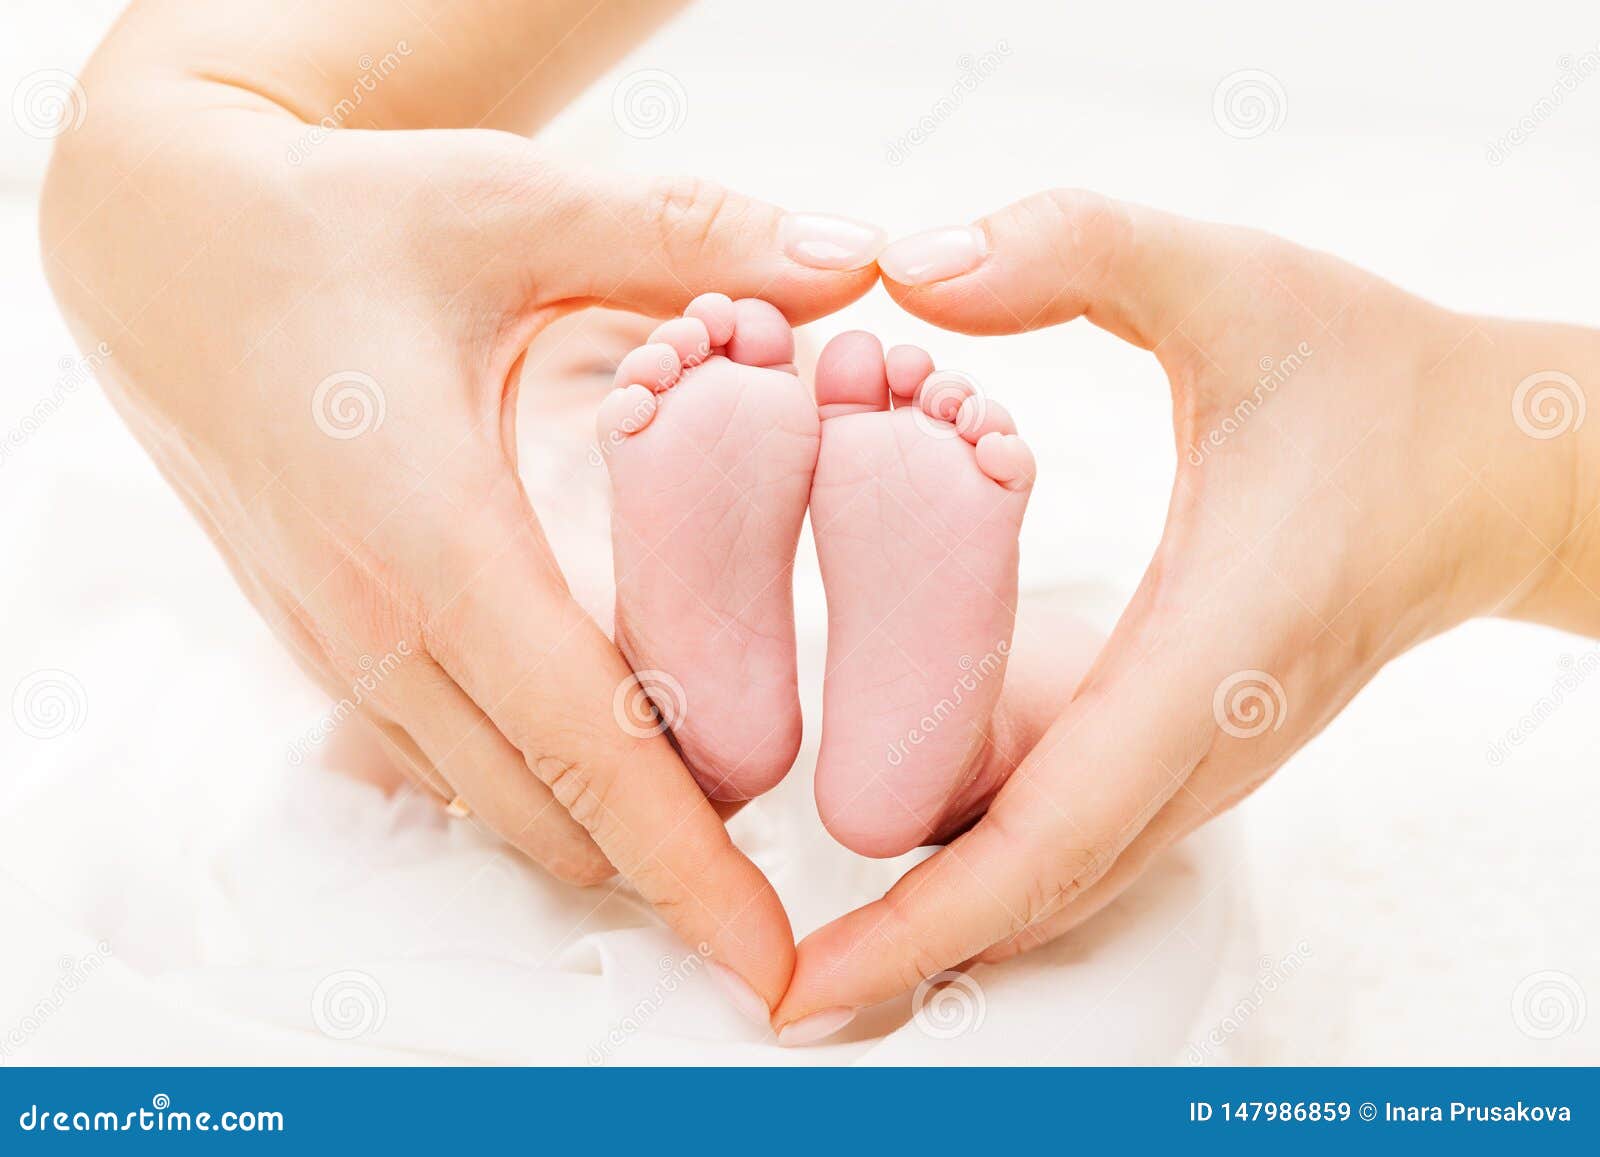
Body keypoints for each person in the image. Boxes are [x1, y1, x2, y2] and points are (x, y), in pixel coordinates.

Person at [43, 0, 1600, 1046]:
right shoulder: (362, 515)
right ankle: (954, 733)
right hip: (754, 677)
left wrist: (172, 117)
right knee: (1080, 671)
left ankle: (758, 683)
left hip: (589, 690)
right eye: (590, 361)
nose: (735, 340)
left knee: (437, 691)